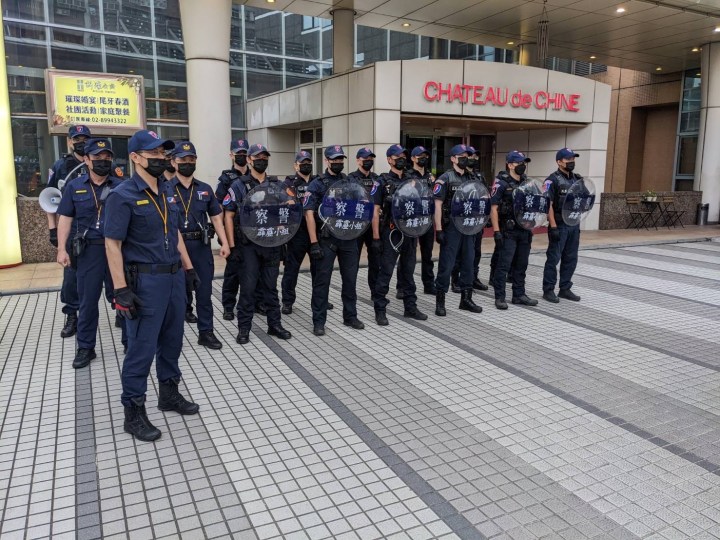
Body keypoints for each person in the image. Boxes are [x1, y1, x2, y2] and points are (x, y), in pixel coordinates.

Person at [104, 130, 200, 442]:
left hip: (173, 278)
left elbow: (175, 234)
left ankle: (169, 394)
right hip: (144, 281)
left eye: (163, 154)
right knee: (141, 348)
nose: (160, 159)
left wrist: (188, 269)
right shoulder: (123, 195)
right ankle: (133, 412)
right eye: (153, 154)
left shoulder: (169, 190)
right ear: (134, 157)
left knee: (173, 340)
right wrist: (120, 289)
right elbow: (112, 245)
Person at [55, 138, 125, 369]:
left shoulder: (121, 185)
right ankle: (86, 347)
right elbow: (65, 217)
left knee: (123, 296)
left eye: (107, 158)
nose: (103, 162)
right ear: (86, 159)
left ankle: (129, 341)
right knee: (87, 301)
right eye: (97, 158)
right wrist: (62, 248)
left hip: (117, 248)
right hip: (89, 251)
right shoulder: (74, 187)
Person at [222, 144, 292, 345]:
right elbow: (229, 215)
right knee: (248, 288)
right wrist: (232, 245)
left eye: (265, 157)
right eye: (257, 157)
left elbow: (287, 209)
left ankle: (274, 324)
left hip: (271, 243)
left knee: (271, 288)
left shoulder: (276, 185)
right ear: (250, 160)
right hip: (248, 245)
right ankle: (244, 328)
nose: (261, 160)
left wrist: (283, 236)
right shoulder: (239, 185)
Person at [170, 141, 230, 349]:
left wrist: (224, 242)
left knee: (204, 293)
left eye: (191, 159)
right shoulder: (165, 189)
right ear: (173, 162)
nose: (187, 163)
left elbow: (216, 217)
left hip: (200, 246)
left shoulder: (204, 189)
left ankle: (206, 332)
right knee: (176, 295)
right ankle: (173, 336)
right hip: (175, 248)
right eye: (182, 160)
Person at [304, 145, 365, 336]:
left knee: (350, 280)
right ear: (327, 161)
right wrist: (313, 242)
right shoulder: (317, 184)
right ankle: (319, 321)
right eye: (334, 159)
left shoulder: (349, 182)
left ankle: (350, 316)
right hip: (327, 239)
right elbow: (308, 213)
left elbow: (358, 206)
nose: (338, 162)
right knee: (322, 282)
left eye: (341, 159)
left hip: (347, 238)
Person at [370, 145, 428, 326]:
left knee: (408, 271)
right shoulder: (382, 182)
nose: (401, 159)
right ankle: (380, 310)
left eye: (403, 155)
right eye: (397, 157)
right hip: (391, 232)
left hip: (410, 231)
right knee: (386, 271)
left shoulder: (413, 180)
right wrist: (376, 237)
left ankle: (410, 307)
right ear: (389, 160)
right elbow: (375, 210)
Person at [47, 125, 91, 339]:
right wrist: (53, 230)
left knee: (109, 274)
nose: (81, 142)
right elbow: (50, 199)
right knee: (71, 276)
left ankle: (118, 310)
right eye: (77, 139)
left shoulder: (100, 163)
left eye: (85, 138)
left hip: (98, 228)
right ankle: (72, 314)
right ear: (69, 141)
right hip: (72, 228)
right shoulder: (61, 166)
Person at [433, 144, 483, 316]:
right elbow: (437, 205)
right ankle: (440, 301)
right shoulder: (445, 179)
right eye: (461, 156)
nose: (465, 158)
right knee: (446, 265)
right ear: (453, 159)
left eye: (467, 156)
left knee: (469, 263)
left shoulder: (472, 178)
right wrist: (438, 229)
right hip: (451, 228)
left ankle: (466, 299)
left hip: (468, 226)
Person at [490, 151, 539, 310]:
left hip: (524, 230)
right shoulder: (501, 183)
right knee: (504, 265)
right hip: (508, 230)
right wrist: (496, 231)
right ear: (510, 165)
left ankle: (519, 294)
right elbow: (493, 208)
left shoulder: (528, 183)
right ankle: (500, 297)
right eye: (519, 163)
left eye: (524, 162)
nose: (522, 166)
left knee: (521, 264)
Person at [542, 148, 583, 303]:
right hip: (559, 225)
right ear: (559, 162)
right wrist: (552, 226)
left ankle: (565, 288)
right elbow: (548, 204)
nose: (571, 162)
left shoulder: (577, 180)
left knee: (571, 258)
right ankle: (548, 290)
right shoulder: (552, 180)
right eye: (568, 160)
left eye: (573, 159)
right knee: (554, 258)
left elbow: (584, 200)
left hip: (573, 224)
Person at [281, 150, 319, 314]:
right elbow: (290, 204)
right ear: (295, 165)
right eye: (302, 162)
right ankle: (287, 301)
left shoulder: (317, 181)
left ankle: (319, 299)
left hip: (316, 231)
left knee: (319, 268)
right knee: (292, 269)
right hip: (297, 233)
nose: (306, 165)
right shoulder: (288, 183)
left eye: (308, 162)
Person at [216, 139, 250, 320]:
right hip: (233, 232)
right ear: (231, 155)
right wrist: (226, 238)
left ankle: (256, 302)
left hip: (253, 232)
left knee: (254, 272)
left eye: (245, 152)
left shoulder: (256, 175)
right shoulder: (225, 179)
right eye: (238, 152)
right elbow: (219, 209)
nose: (242, 156)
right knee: (232, 272)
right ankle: (229, 306)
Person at [451, 146, 489, 293]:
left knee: (475, 251)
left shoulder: (478, 177)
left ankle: (472, 278)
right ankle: (455, 279)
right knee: (459, 253)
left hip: (476, 221)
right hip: (460, 220)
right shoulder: (456, 176)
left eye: (474, 157)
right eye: (470, 156)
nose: (472, 159)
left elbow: (485, 196)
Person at [347, 147, 380, 295]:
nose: (368, 161)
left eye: (370, 159)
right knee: (353, 261)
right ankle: (350, 291)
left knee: (375, 260)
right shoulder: (350, 178)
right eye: (365, 159)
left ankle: (375, 291)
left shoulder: (376, 179)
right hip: (357, 226)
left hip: (373, 225)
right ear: (358, 160)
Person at [404, 146, 436, 296]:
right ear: (413, 158)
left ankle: (429, 284)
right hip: (412, 219)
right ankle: (402, 286)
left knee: (427, 254)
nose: (423, 158)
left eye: (425, 156)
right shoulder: (407, 175)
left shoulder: (430, 176)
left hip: (427, 220)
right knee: (408, 255)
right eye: (419, 156)